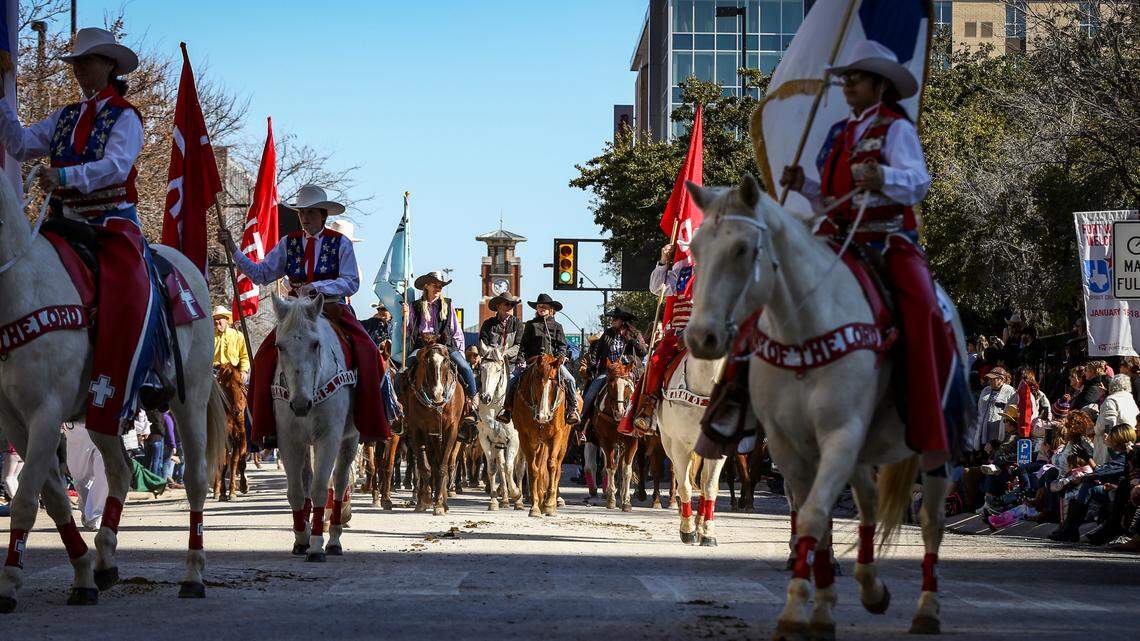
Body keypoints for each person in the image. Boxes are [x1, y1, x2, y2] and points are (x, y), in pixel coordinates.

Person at [779, 40, 955, 469]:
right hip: (839, 239)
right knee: (776, 287)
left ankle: (930, 430)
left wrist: (883, 175)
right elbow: (831, 200)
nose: (846, 86)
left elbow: (917, 183)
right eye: (844, 79)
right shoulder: (839, 134)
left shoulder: (897, 128)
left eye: (854, 78)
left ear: (879, 84)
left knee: (925, 310)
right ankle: (741, 407)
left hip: (887, 239)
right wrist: (804, 184)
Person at [0, 27, 172, 435]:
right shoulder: (65, 117)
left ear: (108, 66)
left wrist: (64, 175)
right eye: (76, 63)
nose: (79, 70)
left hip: (112, 222)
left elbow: (116, 166)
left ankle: (145, 372)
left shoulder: (126, 116)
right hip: (64, 222)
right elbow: (21, 144)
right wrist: (2, 101)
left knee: (132, 286)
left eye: (86, 62)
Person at [219, 184, 391, 447]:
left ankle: (371, 422)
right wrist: (233, 249)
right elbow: (262, 274)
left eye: (310, 213)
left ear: (323, 214)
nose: (305, 218)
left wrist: (319, 287)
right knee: (264, 359)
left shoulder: (340, 243)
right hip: (296, 311)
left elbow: (351, 282)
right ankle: (264, 428)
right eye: (302, 213)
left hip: (331, 308)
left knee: (369, 353)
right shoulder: (288, 243)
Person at [625, 242, 696, 435]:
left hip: (707, 335)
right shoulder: (683, 271)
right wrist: (664, 261)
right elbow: (658, 288)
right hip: (679, 333)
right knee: (655, 363)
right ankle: (648, 410)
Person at [401, 271, 479, 425]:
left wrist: (461, 352)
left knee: (465, 367)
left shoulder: (448, 304)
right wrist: (405, 317)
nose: (438, 288)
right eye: (435, 285)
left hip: (445, 346)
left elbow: (456, 331)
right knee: (403, 371)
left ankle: (472, 403)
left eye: (440, 286)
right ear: (426, 286)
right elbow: (409, 331)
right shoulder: (415, 306)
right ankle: (400, 408)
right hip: (422, 346)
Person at [496, 294, 580, 425]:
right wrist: (520, 360)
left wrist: (560, 358)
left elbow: (562, 345)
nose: (542, 308)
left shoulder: (558, 326)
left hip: (552, 363)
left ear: (551, 309)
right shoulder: (530, 325)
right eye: (539, 306)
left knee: (570, 379)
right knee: (512, 379)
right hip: (533, 361)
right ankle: (507, 410)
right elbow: (523, 345)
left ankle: (572, 409)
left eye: (545, 306)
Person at [582, 306, 648, 424]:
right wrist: (592, 365)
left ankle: (643, 420)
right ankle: (582, 419)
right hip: (609, 371)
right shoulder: (607, 333)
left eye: (615, 319)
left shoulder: (635, 334)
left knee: (643, 394)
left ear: (623, 321)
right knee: (593, 389)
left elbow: (643, 351)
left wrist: (631, 340)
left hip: (628, 371)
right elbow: (597, 350)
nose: (612, 321)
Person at [1094, 374, 1138, 466]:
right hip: (1127, 439)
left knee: (1106, 469)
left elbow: (1108, 422)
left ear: (1112, 386)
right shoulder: (1130, 399)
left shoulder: (1111, 400)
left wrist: (1108, 437)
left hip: (1113, 443)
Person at [972, 368, 1015, 452]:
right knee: (983, 452)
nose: (990, 381)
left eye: (993, 379)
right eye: (989, 379)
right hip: (984, 428)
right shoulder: (985, 390)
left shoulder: (1010, 391)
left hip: (999, 428)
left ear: (1001, 379)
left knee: (996, 450)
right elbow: (980, 408)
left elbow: (1012, 411)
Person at [478, 293, 524, 361]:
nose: (510, 307)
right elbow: (483, 345)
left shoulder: (518, 323)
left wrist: (504, 354)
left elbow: (518, 345)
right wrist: (496, 355)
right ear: (498, 306)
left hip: (511, 363)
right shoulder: (488, 324)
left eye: (512, 304)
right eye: (507, 304)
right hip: (491, 361)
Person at [212, 306, 250, 383]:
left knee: (246, 392)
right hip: (213, 372)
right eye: (215, 319)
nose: (216, 321)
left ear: (226, 319)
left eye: (219, 318)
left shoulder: (238, 335)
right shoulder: (209, 335)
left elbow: (244, 356)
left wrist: (244, 371)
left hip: (233, 372)